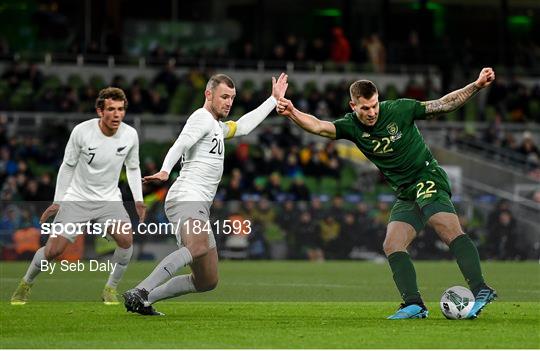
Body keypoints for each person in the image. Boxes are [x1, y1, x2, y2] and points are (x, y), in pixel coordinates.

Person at [276, 68, 497, 319]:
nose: (371, 113)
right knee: (392, 244)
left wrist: (476, 85)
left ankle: (481, 289)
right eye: (365, 108)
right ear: (353, 106)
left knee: (444, 226)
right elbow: (319, 126)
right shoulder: (351, 126)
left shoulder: (400, 109)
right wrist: (292, 112)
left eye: (374, 106)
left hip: (427, 176)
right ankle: (414, 304)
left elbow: (443, 104)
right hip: (405, 191)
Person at [122, 73, 288, 315]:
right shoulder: (201, 118)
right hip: (187, 195)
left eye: (232, 98)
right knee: (198, 245)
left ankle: (144, 300)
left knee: (206, 280)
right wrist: (166, 170)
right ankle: (142, 289)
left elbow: (243, 126)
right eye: (224, 96)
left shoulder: (217, 127)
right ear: (208, 94)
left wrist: (273, 100)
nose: (229, 102)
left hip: (197, 203)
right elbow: (180, 143)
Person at [10, 87, 145, 305]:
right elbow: (67, 166)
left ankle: (110, 289)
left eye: (121, 109)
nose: (117, 114)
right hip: (77, 197)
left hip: (109, 199)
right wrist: (57, 201)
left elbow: (133, 167)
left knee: (126, 239)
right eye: (111, 109)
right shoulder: (82, 132)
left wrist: (138, 200)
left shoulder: (130, 135)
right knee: (54, 250)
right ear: (100, 111)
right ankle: (26, 283)